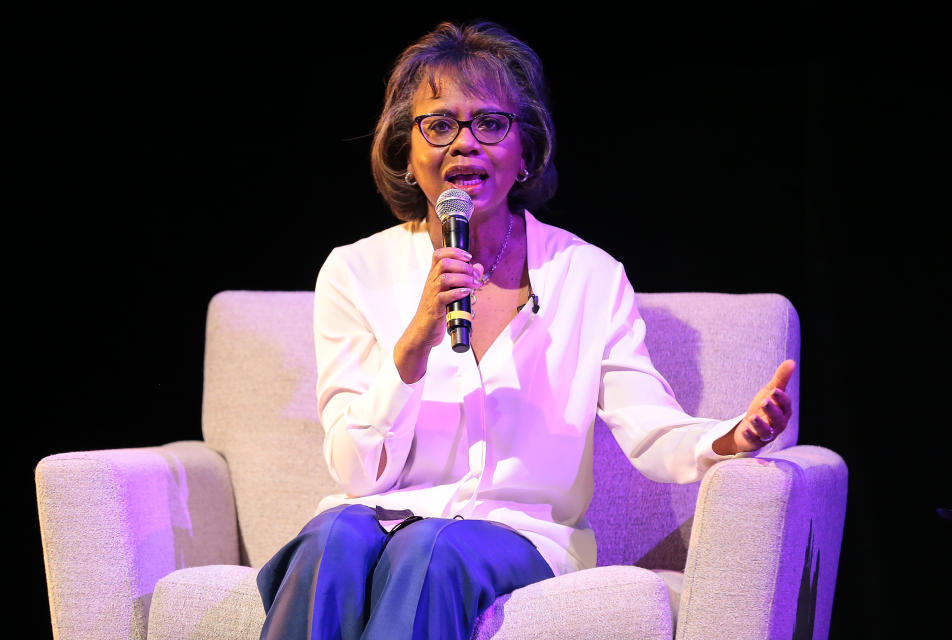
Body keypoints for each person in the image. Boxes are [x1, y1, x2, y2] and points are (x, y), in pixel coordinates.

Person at [256, 21, 795, 640]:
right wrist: (412, 347)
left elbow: (652, 431)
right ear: (408, 150)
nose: (465, 144)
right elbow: (355, 474)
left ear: (526, 151)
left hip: (516, 538)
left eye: (490, 124)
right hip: (378, 518)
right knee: (331, 536)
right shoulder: (355, 271)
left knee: (430, 550)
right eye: (439, 124)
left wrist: (731, 436)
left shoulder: (588, 276)